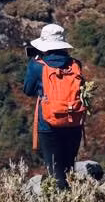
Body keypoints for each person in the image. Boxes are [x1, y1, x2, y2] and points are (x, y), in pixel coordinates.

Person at [22, 23, 84, 189]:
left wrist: (33, 65)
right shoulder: (76, 64)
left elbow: (28, 90)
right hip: (73, 123)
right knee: (68, 168)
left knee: (55, 172)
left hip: (48, 125)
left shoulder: (36, 66)